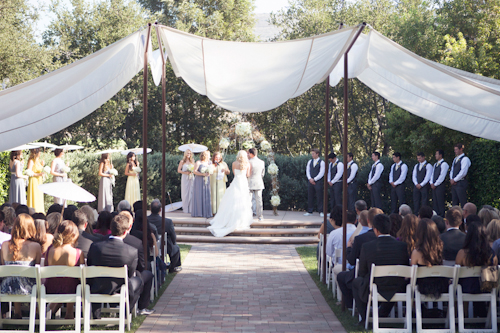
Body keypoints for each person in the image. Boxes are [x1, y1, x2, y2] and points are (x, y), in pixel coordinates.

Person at [352, 214, 410, 325]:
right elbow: (405, 266)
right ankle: (381, 314)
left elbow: (362, 272)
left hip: (376, 285)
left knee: (357, 282)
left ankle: (365, 318)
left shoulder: (367, 246)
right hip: (397, 285)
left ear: (376, 230)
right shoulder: (402, 246)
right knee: (392, 284)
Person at [87, 214, 144, 319]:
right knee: (139, 280)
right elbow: (130, 274)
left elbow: (90, 266)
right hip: (119, 287)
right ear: (125, 231)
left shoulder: (95, 246)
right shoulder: (132, 251)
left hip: (97, 286)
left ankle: (96, 315)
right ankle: (126, 313)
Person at [336, 208, 381, 309]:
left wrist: (348, 248)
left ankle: (351, 305)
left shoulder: (360, 239)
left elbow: (351, 260)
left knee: (343, 277)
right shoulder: (391, 239)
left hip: (365, 275)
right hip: (388, 280)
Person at [0, 214, 41, 319]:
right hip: (28, 289)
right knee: (33, 278)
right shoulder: (36, 247)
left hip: (6, 288)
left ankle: (17, 312)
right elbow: (37, 269)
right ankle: (35, 311)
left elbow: (3, 266)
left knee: (14, 277)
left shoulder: (4, 245)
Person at [455, 221, 497, 317]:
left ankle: (462, 316)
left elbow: (457, 272)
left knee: (456, 283)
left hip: (466, 288)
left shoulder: (462, 254)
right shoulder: (492, 254)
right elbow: (493, 274)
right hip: (486, 288)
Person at [44, 220, 84, 319]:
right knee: (72, 281)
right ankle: (69, 313)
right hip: (71, 290)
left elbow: (46, 268)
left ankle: (51, 309)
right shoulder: (77, 253)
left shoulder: (50, 250)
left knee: (63, 281)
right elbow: (81, 276)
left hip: (51, 288)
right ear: (73, 235)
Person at [208, 151, 253, 237]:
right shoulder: (248, 164)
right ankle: (241, 220)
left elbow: (234, 174)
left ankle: (229, 219)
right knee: (243, 200)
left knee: (232, 200)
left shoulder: (234, 163)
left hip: (236, 182)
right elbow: (247, 175)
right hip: (243, 183)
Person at [119, 211, 155, 315]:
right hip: (129, 280)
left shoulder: (99, 243)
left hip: (105, 283)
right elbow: (142, 266)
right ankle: (142, 307)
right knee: (146, 274)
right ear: (130, 225)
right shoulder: (136, 242)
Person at [411, 219, 449, 299]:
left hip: (422, 287)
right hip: (440, 285)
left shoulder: (416, 252)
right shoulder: (441, 248)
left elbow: (412, 273)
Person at [148, 199, 182, 272]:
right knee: (175, 248)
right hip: (164, 246)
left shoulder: (145, 220)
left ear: (150, 209)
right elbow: (173, 237)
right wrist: (174, 242)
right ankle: (173, 267)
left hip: (148, 245)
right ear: (160, 209)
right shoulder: (168, 222)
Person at [192, 150, 213, 218]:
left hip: (207, 180)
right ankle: (198, 212)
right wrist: (202, 174)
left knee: (206, 194)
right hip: (199, 180)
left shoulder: (209, 163)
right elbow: (194, 172)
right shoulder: (198, 162)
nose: (210, 156)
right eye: (209, 155)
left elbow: (211, 171)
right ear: (205, 155)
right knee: (199, 195)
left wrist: (209, 173)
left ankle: (206, 212)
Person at [304, 148, 325, 217]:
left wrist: (315, 179)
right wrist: (310, 179)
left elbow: (322, 173)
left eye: (313, 153)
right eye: (312, 153)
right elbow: (307, 170)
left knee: (319, 196)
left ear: (317, 154)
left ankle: (321, 211)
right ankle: (310, 211)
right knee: (310, 196)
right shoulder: (310, 161)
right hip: (310, 181)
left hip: (318, 182)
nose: (312, 155)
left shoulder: (322, 162)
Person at [449, 143, 471, 208]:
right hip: (454, 184)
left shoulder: (465, 159)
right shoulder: (455, 159)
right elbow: (452, 170)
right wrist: (451, 179)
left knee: (463, 201)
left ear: (461, 149)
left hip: (461, 183)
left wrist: (455, 179)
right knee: (454, 202)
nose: (455, 151)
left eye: (456, 149)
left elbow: (463, 172)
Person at [247, 148, 265, 221]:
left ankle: (249, 215)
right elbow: (262, 174)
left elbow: (247, 174)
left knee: (249, 200)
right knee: (259, 200)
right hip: (259, 182)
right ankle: (260, 216)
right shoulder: (262, 162)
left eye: (248, 153)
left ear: (251, 154)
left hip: (250, 183)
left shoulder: (249, 162)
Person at [430, 149, 449, 217]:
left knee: (440, 201)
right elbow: (432, 174)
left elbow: (442, 176)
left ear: (440, 155)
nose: (435, 155)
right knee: (435, 201)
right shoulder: (435, 164)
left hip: (440, 186)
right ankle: (435, 215)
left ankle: (441, 216)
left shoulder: (444, 164)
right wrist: (431, 182)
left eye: (436, 154)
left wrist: (435, 184)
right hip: (434, 186)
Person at [26, 148, 45, 213]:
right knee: (34, 195)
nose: (40, 153)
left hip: (39, 180)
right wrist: (39, 174)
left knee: (39, 196)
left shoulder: (39, 160)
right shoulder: (31, 161)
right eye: (39, 151)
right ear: (36, 153)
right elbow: (29, 172)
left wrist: (42, 165)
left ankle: (40, 210)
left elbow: (39, 169)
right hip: (33, 180)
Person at [177, 149, 195, 214]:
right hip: (185, 178)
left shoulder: (193, 161)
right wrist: (185, 173)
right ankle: (185, 209)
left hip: (191, 178)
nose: (189, 155)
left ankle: (191, 208)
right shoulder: (182, 161)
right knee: (185, 193)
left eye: (190, 153)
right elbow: (179, 170)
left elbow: (195, 169)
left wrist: (191, 171)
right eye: (187, 153)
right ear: (185, 154)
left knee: (191, 192)